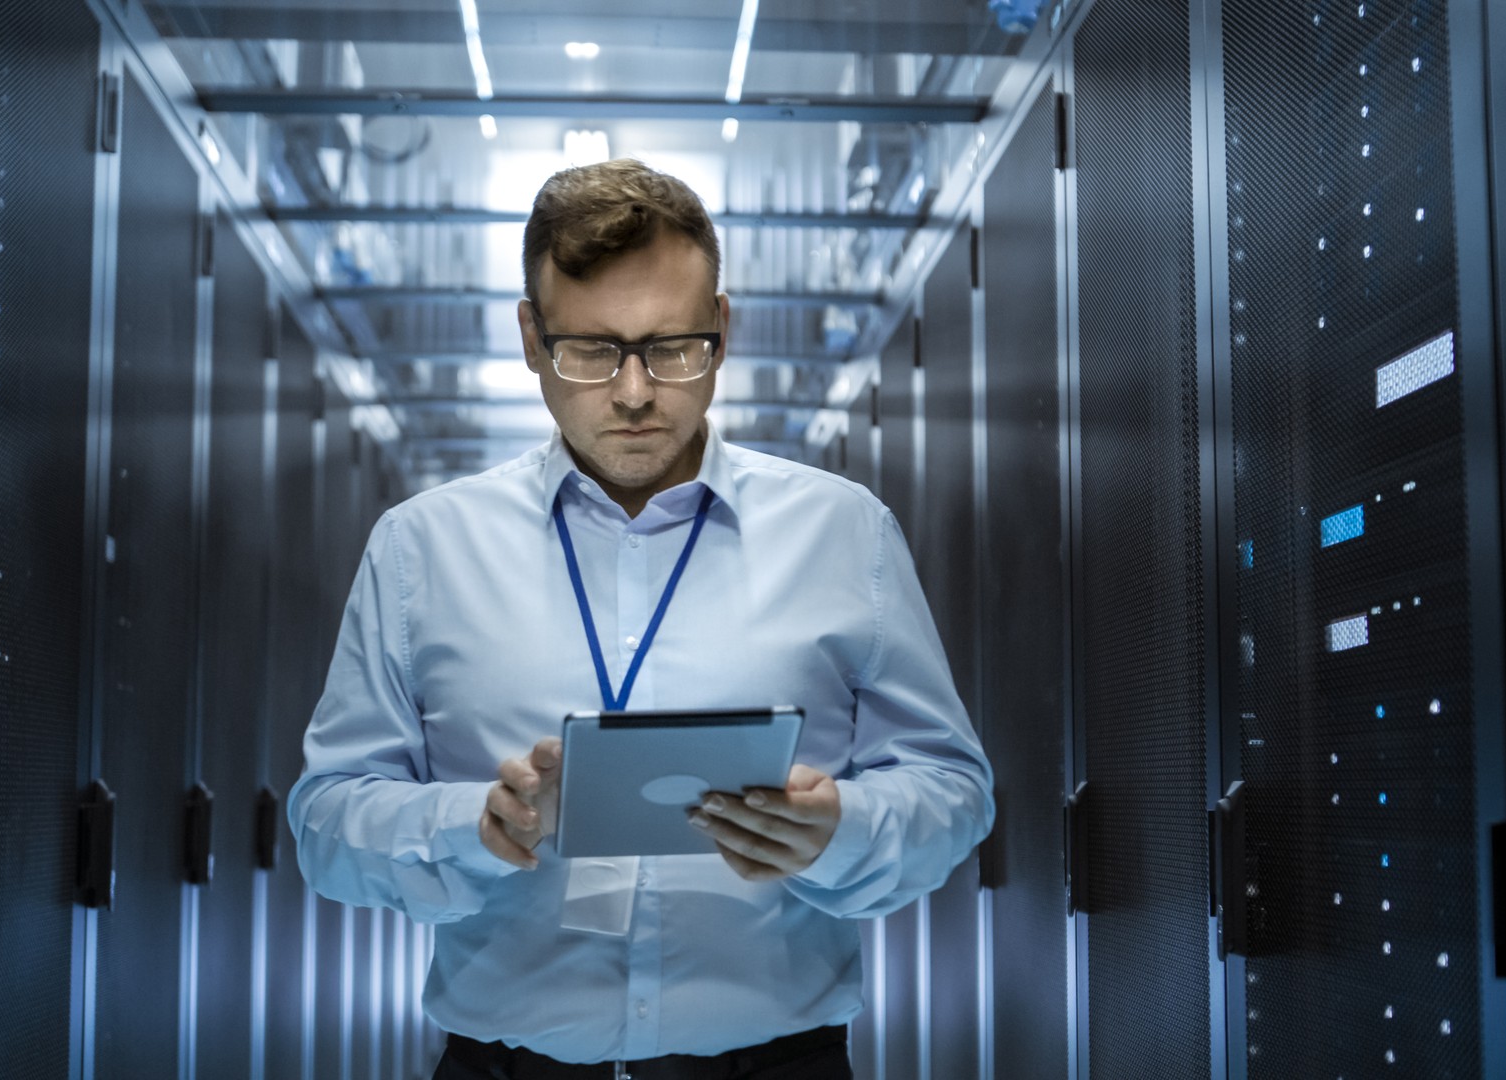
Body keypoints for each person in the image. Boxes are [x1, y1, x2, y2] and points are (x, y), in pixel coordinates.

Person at [288, 158, 993, 1080]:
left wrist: (843, 829)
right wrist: (480, 825)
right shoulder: (422, 549)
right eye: (590, 350)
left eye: (672, 348)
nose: (632, 392)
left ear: (724, 330)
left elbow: (953, 788)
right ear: (532, 339)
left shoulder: (843, 532)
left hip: (775, 1065)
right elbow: (327, 821)